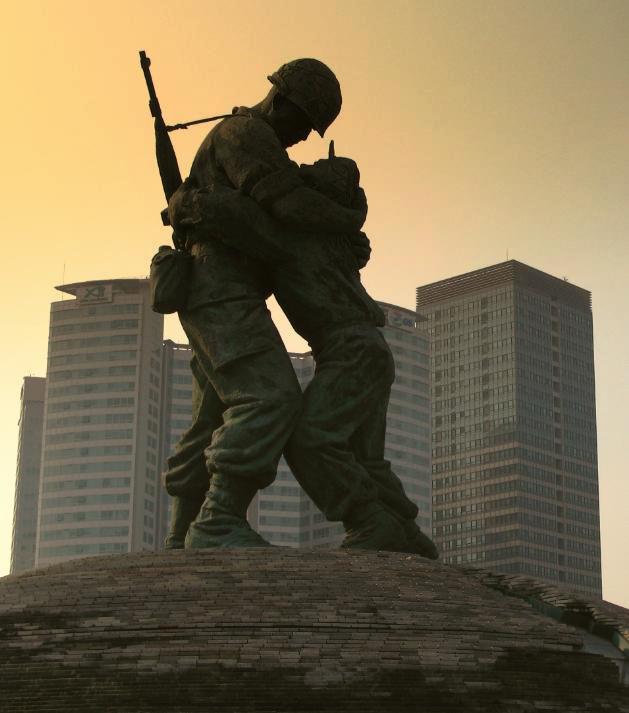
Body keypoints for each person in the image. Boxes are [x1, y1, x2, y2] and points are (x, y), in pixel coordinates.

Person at [170, 139, 438, 556]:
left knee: (311, 440)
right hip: (366, 351)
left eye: (312, 171)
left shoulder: (295, 237)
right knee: (365, 457)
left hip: (351, 351)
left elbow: (235, 217)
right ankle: (402, 528)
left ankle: (372, 521)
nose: (301, 168)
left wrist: (186, 201)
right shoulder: (330, 236)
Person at [164, 58, 371, 549]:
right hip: (220, 287)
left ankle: (179, 535)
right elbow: (289, 204)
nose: (302, 138)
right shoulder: (246, 135)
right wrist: (348, 217)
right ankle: (217, 522)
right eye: (301, 123)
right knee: (270, 396)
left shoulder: (252, 139)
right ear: (280, 101)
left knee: (214, 413)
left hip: (225, 288)